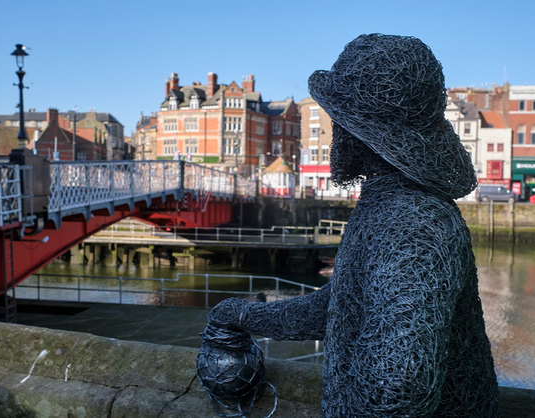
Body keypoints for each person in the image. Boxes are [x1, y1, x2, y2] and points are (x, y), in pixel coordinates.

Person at [205, 34, 499, 417]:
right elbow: (339, 306)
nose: (333, 131)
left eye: (338, 118)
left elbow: (397, 387)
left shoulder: (414, 223)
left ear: (357, 129)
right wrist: (242, 316)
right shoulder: (385, 204)